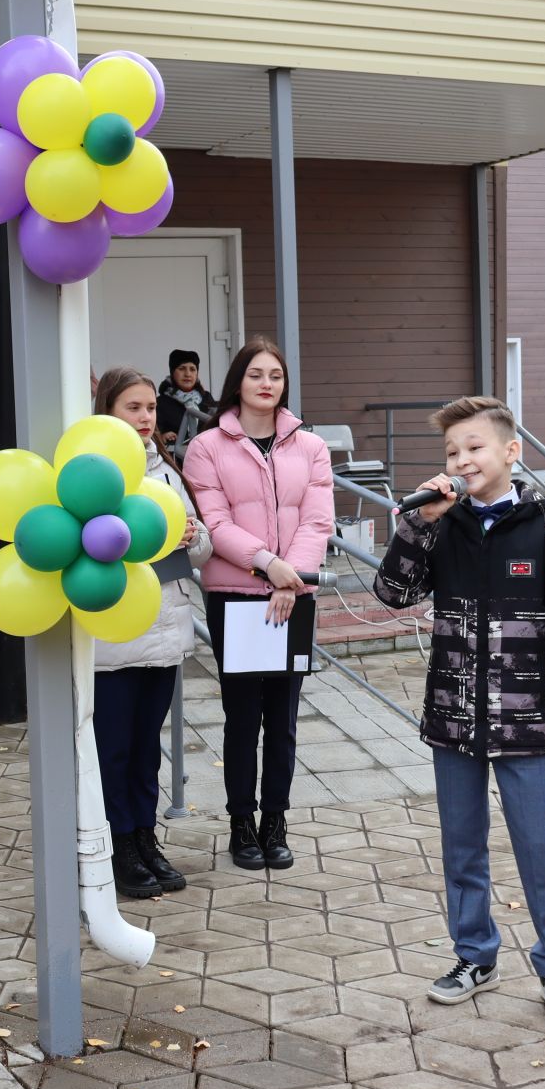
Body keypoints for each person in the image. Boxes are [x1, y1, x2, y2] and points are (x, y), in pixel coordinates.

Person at [371, 395, 545, 1030]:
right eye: (452, 451)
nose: (462, 459)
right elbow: (393, 592)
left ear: (511, 452)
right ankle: (474, 956)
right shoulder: (440, 525)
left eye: (474, 447)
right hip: (452, 715)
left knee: (540, 846)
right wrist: (419, 522)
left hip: (524, 718)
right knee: (461, 844)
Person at [181, 336, 333, 873]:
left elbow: (317, 521)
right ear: (237, 382)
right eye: (255, 375)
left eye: (275, 375)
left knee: (285, 719)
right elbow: (215, 524)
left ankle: (276, 822)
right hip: (237, 597)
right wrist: (269, 565)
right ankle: (240, 823)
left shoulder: (310, 446)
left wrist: (291, 580)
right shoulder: (206, 447)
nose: (266, 384)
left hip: (293, 597)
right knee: (242, 718)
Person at [89, 366, 213, 899]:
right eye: (132, 408)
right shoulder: (92, 471)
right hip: (114, 636)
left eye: (149, 408)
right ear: (107, 412)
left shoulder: (166, 468)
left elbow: (202, 545)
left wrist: (191, 534)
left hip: (166, 630)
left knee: (146, 748)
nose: (145, 419)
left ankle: (145, 838)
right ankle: (117, 847)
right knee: (113, 750)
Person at [156, 350, 217, 458]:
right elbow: (153, 433)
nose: (188, 374)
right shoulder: (160, 402)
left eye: (192, 369)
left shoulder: (206, 398)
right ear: (172, 372)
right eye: (182, 368)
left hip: (206, 458)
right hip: (174, 461)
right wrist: (162, 436)